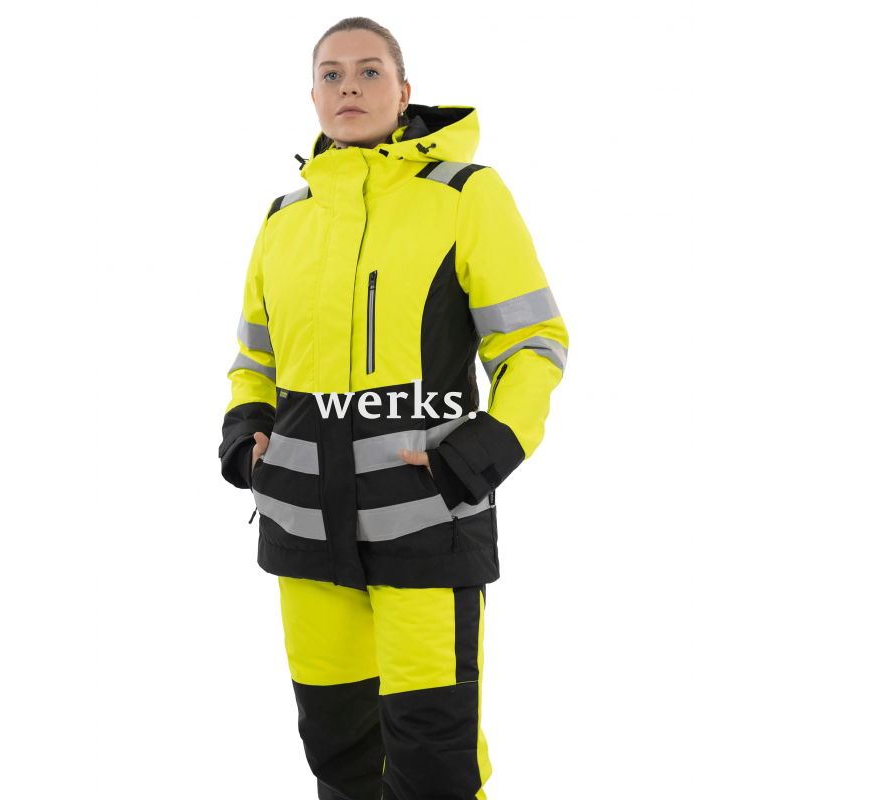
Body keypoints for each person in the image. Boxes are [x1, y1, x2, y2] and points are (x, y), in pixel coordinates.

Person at [219, 16, 569, 800]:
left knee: (435, 760)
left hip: (424, 519)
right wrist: (246, 437)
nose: (350, 86)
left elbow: (533, 344)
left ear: (404, 91)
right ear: (313, 96)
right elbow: (255, 360)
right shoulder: (283, 218)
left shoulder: (464, 195)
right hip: (304, 525)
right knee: (338, 754)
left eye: (369, 71)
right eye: (332, 74)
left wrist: (474, 458)